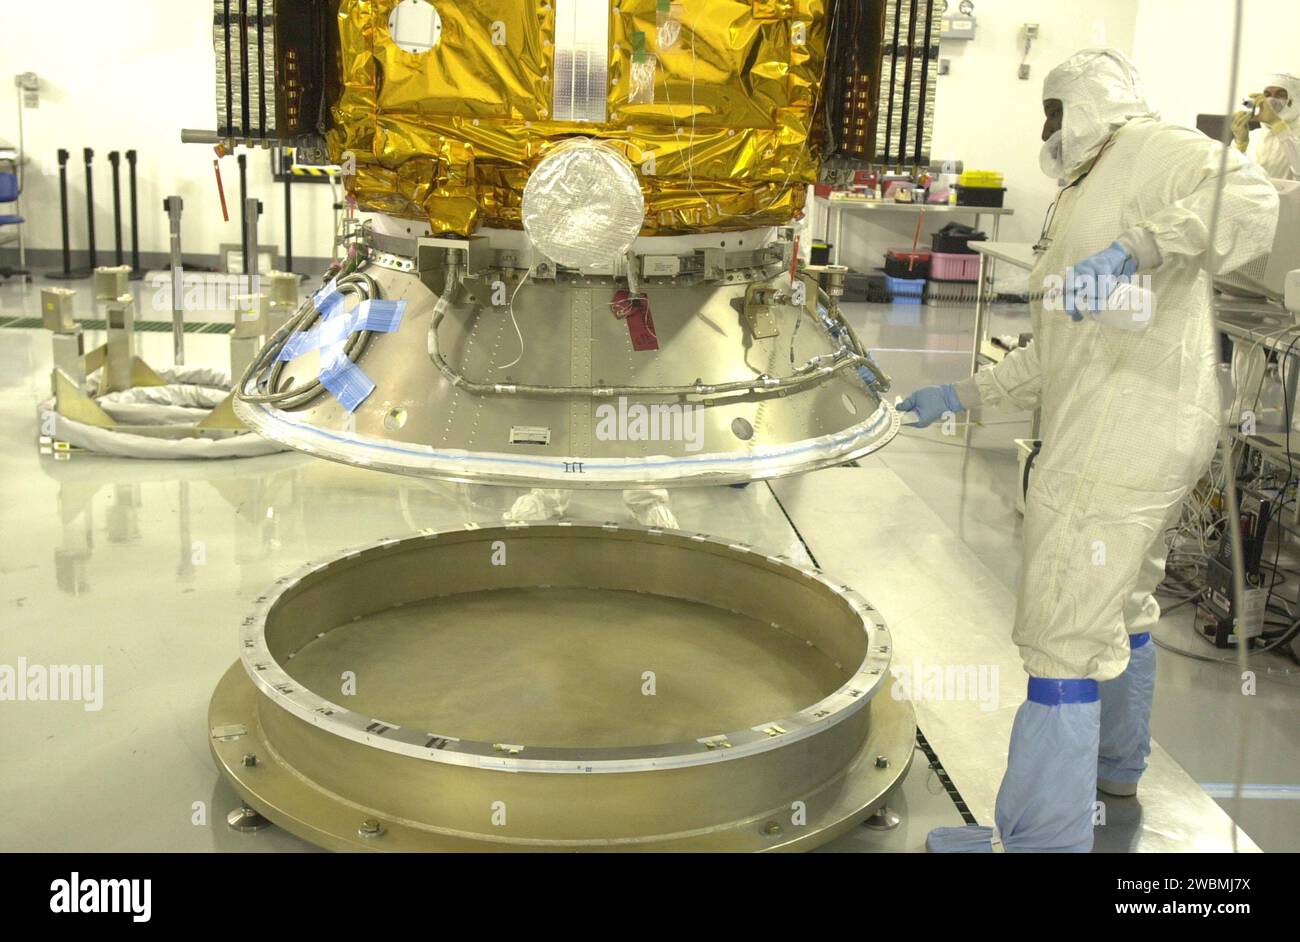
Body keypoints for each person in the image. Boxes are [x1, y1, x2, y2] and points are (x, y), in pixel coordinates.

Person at [896, 48, 1278, 852]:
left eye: (1054, 111)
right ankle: (1115, 771)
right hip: (1143, 426)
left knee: (1062, 622)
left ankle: (1039, 841)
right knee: (1123, 597)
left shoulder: (1151, 149)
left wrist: (1136, 247)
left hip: (1120, 434)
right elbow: (1060, 346)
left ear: (1089, 106)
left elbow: (1246, 198)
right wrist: (961, 395)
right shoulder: (1085, 188)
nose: (1047, 129)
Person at [1232, 73, 1300, 180]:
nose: (1272, 100)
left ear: (1295, 100)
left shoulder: (1296, 137)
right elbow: (1234, 176)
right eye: (1267, 95)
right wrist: (1240, 145)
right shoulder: (1254, 137)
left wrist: (1277, 124)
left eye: (1280, 94)